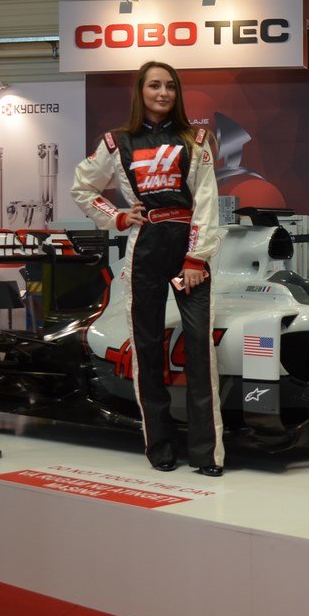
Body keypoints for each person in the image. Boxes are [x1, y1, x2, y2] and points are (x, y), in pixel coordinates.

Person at [71, 61, 225, 476]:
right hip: (145, 249)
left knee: (199, 348)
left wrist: (197, 258)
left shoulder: (196, 139)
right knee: (147, 348)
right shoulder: (117, 141)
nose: (163, 93)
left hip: (188, 249)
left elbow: (206, 199)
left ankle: (207, 453)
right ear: (141, 91)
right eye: (155, 85)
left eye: (170, 86)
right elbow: (82, 186)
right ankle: (160, 445)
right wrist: (118, 217)